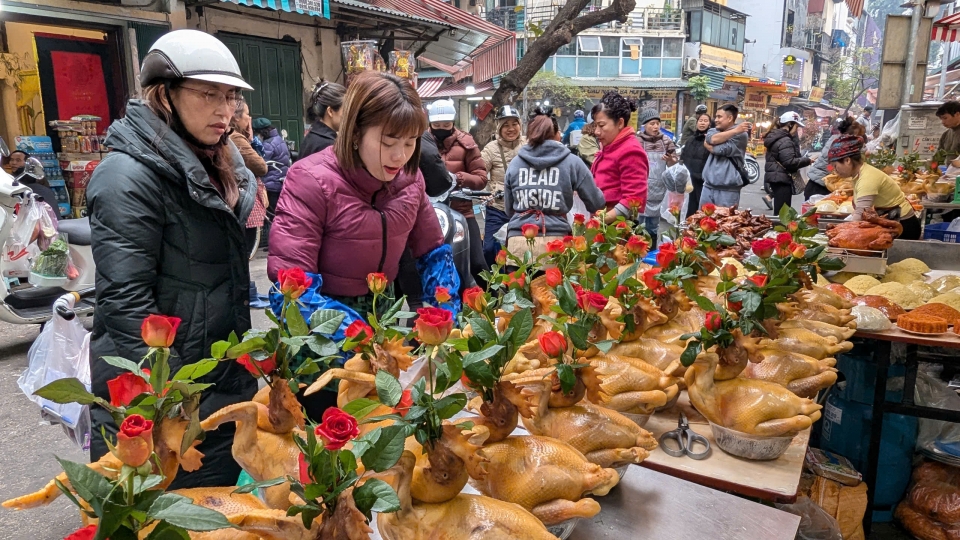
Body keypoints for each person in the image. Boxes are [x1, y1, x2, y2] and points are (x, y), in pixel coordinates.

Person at [86, 29, 258, 488]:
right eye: (208, 95)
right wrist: (179, 397)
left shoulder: (219, 163)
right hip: (161, 391)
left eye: (230, 97)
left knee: (219, 513)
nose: (225, 111)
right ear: (165, 96)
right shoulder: (126, 178)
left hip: (214, 377)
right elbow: (125, 302)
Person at [268, 72, 459, 419]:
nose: (400, 155)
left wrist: (444, 312)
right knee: (327, 428)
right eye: (389, 141)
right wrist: (353, 333)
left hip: (380, 314)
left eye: (411, 141)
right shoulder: (310, 180)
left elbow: (434, 254)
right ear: (355, 131)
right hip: (321, 325)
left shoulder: (410, 181)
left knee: (379, 429)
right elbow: (290, 288)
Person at [503, 109, 605, 259]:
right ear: (557, 134)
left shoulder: (515, 163)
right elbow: (596, 203)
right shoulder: (573, 162)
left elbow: (508, 209)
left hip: (518, 242)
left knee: (517, 283)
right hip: (556, 244)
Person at [427, 98, 488, 288]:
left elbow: (481, 178)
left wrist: (459, 178)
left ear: (453, 122)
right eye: (437, 124)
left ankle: (494, 305)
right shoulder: (420, 142)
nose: (442, 128)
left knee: (477, 263)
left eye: (446, 124)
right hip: (428, 214)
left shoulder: (466, 143)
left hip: (462, 212)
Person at [827, 135, 921, 240]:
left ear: (847, 160)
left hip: (904, 228)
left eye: (835, 166)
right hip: (892, 222)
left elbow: (860, 215)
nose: (835, 170)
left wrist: (842, 236)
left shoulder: (867, 178)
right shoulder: (860, 173)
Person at [229, 102, 271, 309]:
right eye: (247, 114)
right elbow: (260, 166)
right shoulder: (236, 139)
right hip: (246, 200)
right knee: (247, 249)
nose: (249, 119)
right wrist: (252, 137)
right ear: (236, 118)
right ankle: (247, 292)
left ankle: (249, 290)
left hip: (241, 198)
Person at [590, 92, 648, 224]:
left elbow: (634, 198)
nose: (596, 132)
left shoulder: (630, 151)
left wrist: (601, 221)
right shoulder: (610, 145)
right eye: (596, 125)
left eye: (602, 125)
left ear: (620, 123)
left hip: (615, 228)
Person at [480, 105, 525, 266]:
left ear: (520, 124)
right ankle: (492, 287)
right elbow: (479, 173)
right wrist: (484, 192)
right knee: (489, 249)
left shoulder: (529, 145)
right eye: (505, 125)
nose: (510, 129)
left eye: (514, 124)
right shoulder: (491, 149)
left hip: (524, 208)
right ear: (498, 127)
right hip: (497, 208)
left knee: (524, 249)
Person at [637, 109, 683, 245]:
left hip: (659, 189)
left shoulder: (666, 141)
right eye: (652, 123)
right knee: (637, 226)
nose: (656, 126)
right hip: (641, 188)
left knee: (652, 227)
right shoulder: (636, 140)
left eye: (658, 123)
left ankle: (651, 251)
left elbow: (674, 162)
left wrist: (669, 159)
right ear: (644, 125)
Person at [763, 111, 812, 215]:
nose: (796, 130)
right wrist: (808, 160)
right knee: (782, 214)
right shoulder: (785, 140)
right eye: (796, 126)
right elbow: (789, 162)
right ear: (790, 124)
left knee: (780, 211)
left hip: (776, 177)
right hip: (782, 179)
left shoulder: (776, 137)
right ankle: (779, 230)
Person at [701, 104, 750, 208]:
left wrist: (709, 146)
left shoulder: (741, 134)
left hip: (728, 189)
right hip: (708, 186)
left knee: (725, 221)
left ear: (730, 118)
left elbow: (719, 149)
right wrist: (735, 131)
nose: (716, 120)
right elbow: (712, 139)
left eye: (719, 117)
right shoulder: (714, 130)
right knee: (703, 220)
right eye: (716, 116)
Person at [806, 117, 865, 199]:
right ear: (848, 134)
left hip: (821, 182)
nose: (857, 138)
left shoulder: (839, 141)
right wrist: (834, 171)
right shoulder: (838, 144)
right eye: (856, 135)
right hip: (819, 185)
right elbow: (829, 165)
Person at [252, 117, 291, 219]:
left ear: (260, 132)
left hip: (270, 185)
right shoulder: (278, 139)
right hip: (279, 183)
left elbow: (259, 164)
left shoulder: (268, 144)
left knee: (270, 217)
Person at [299, 80, 345, 160]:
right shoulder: (328, 145)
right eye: (346, 110)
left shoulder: (313, 136)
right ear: (330, 111)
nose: (349, 116)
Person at [681, 112, 712, 218]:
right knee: (689, 209)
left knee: (702, 210)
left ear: (709, 124)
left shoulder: (711, 140)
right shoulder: (690, 139)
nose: (702, 123)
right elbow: (684, 157)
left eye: (705, 121)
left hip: (703, 181)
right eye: (700, 121)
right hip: (689, 181)